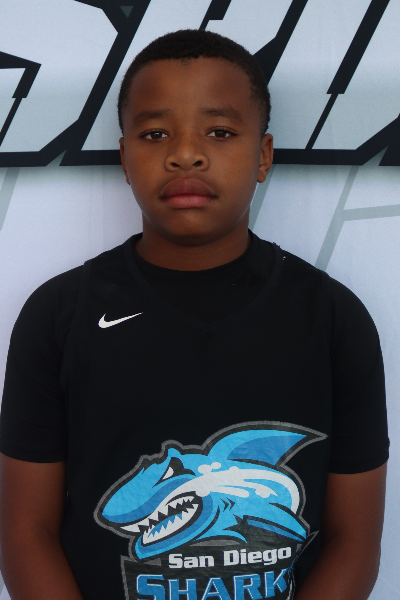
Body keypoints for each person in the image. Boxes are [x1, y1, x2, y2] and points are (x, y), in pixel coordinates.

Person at [0, 29, 388, 600]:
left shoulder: (334, 319)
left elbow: (354, 542)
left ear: (263, 155)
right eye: (155, 133)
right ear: (125, 157)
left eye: (220, 131)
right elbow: (25, 534)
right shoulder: (59, 316)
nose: (185, 153)